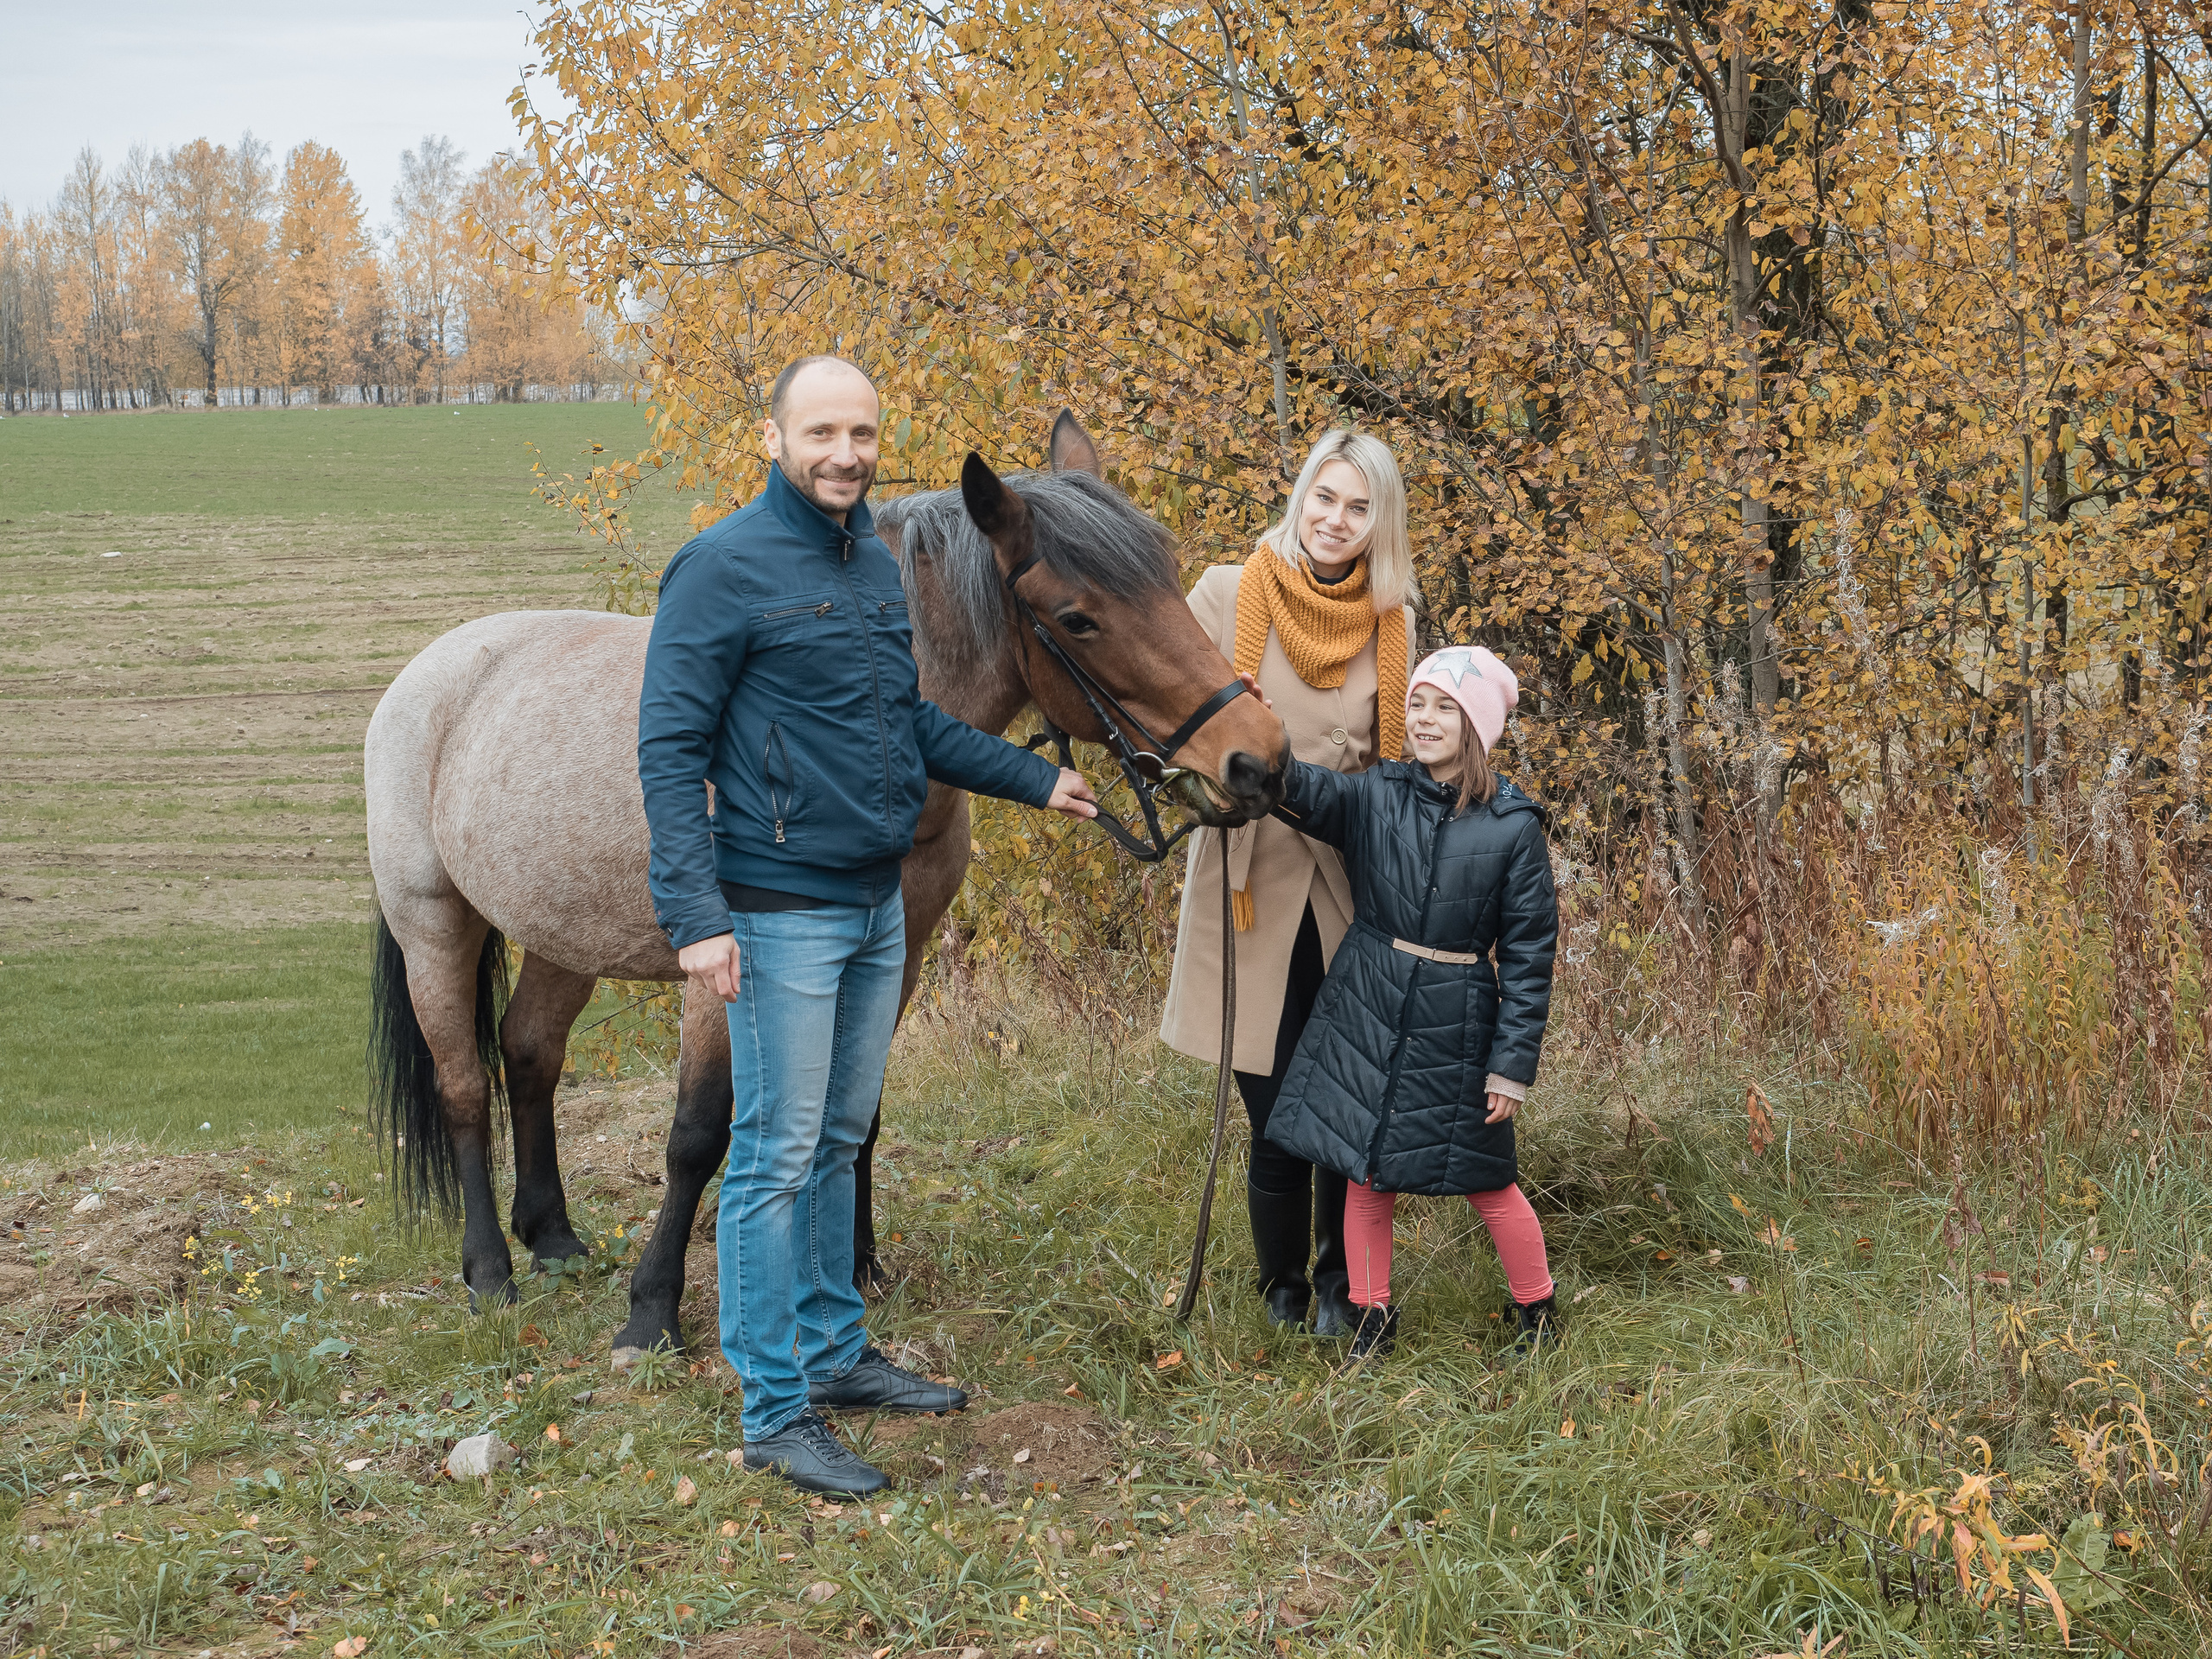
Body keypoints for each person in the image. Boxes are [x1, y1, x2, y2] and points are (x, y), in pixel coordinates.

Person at [636, 355, 1099, 1497]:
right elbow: (667, 753)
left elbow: (916, 731)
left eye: (863, 433)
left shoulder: (874, 567)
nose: (846, 453)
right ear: (774, 437)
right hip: (782, 908)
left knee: (840, 1137)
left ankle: (837, 1356)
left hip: (871, 905)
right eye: (822, 432)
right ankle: (773, 1408)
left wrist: (1033, 783)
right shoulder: (721, 567)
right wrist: (698, 917)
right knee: (775, 1157)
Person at [1160, 430, 1416, 1336]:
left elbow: (1397, 769)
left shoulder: (1391, 620)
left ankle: (1343, 1288)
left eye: (1358, 507)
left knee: (1346, 1098)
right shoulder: (1229, 593)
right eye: (1324, 498)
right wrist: (1197, 789)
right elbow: (1162, 714)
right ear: (1299, 497)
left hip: (1348, 886)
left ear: (1378, 523)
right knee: (1272, 1106)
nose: (1335, 521)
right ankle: (1281, 1287)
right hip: (1248, 884)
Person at [1261, 645, 1560, 1362]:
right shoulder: (1376, 792)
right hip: (1367, 1003)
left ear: (1477, 726)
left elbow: (1528, 956)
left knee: (1489, 1181)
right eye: (1418, 704)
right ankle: (1370, 1319)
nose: (1425, 720)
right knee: (1368, 1171)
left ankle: (1539, 1313)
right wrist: (1262, 732)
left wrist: (1510, 1068)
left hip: (1456, 1021)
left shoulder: (1514, 827)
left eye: (1446, 709)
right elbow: (1300, 787)